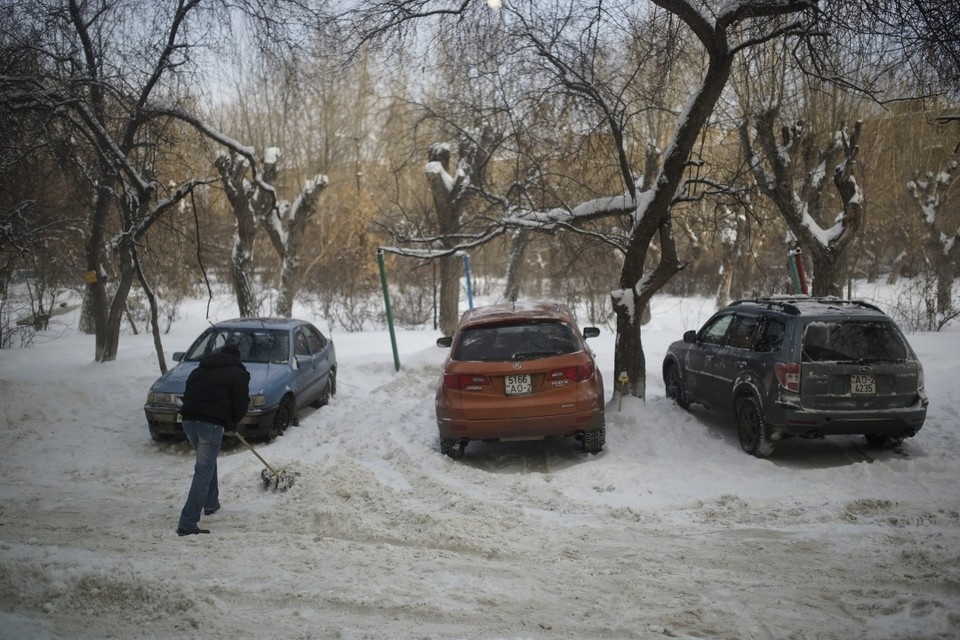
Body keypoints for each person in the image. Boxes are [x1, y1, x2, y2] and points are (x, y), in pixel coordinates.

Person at [176, 342, 250, 536]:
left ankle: (211, 502)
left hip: (188, 421)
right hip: (210, 424)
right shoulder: (238, 373)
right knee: (203, 470)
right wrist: (233, 423)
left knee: (206, 463)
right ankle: (187, 522)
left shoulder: (198, 370)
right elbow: (241, 404)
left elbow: (188, 395)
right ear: (237, 358)